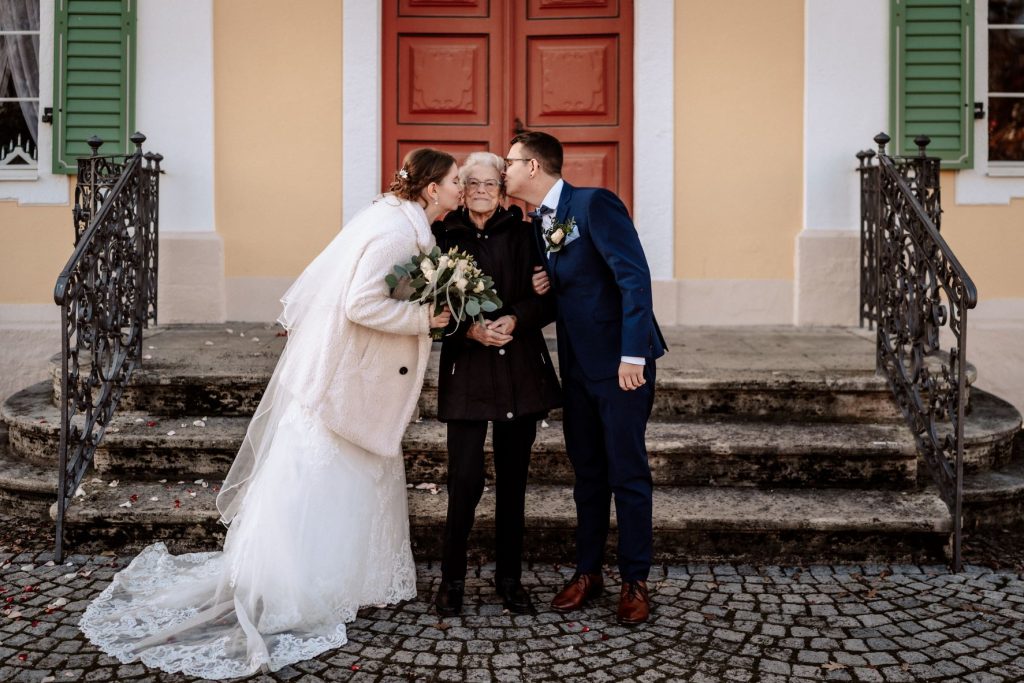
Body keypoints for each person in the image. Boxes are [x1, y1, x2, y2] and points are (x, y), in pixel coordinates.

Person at [78, 149, 462, 678]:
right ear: (431, 188)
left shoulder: (399, 221)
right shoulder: (398, 234)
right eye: (456, 179)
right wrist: (426, 317)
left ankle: (338, 578)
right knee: (330, 481)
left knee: (339, 478)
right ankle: (303, 585)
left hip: (347, 383)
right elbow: (359, 304)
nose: (462, 187)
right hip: (343, 385)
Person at [503, 131, 666, 625]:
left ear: (533, 167)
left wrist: (633, 355)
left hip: (621, 368)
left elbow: (633, 277)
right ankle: (587, 571)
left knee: (628, 474)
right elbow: (577, 291)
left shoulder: (594, 204)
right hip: (576, 368)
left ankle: (635, 579)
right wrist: (545, 288)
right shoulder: (538, 224)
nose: (503, 170)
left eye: (510, 162)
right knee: (588, 475)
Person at [431, 151, 560, 616]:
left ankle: (510, 579)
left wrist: (515, 317)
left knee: (513, 483)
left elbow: (547, 301)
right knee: (463, 481)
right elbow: (427, 309)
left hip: (519, 372)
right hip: (467, 374)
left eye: (490, 183)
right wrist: (468, 329)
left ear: (503, 192)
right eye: (472, 183)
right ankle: (452, 581)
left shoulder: (527, 236)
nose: (482, 190)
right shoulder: (441, 237)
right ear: (459, 190)